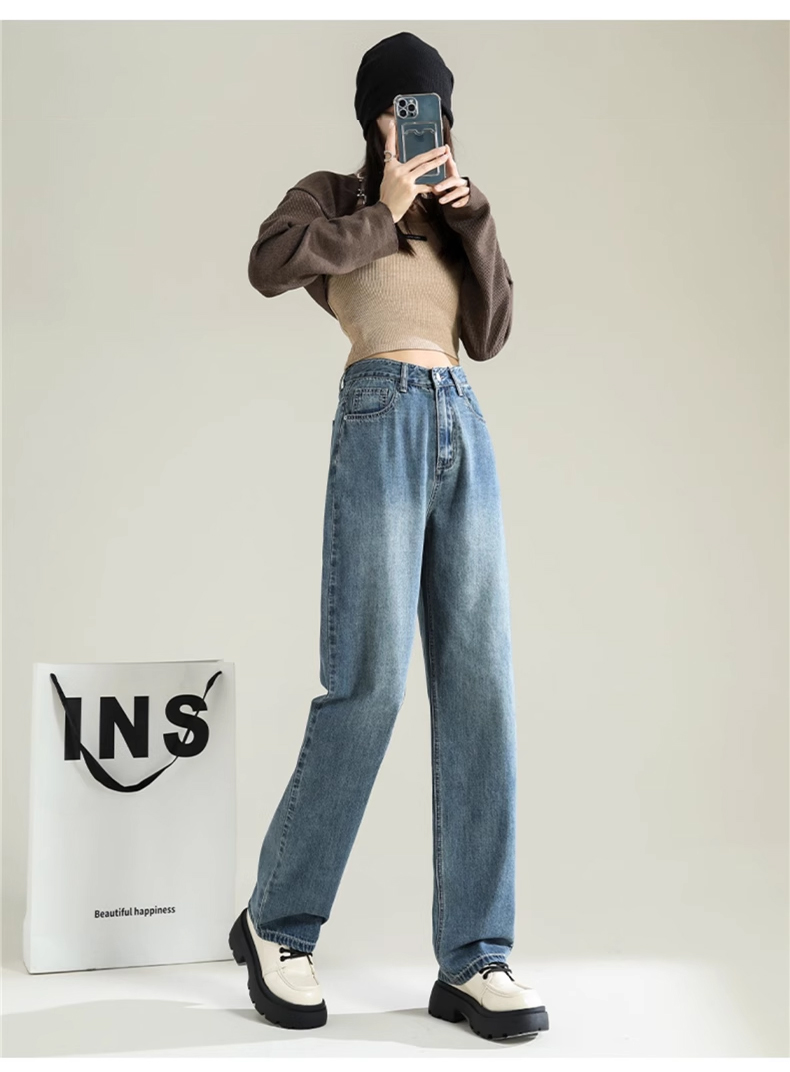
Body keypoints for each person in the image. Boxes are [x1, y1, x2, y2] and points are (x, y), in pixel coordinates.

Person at [228, 32, 550, 1042]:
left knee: (482, 688)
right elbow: (268, 264)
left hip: (462, 424)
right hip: (379, 418)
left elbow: (490, 334)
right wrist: (385, 210)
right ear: (371, 117)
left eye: (433, 110)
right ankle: (277, 921)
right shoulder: (332, 199)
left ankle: (476, 956)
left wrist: (472, 216)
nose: (417, 123)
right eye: (399, 107)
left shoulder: (458, 216)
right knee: (367, 682)